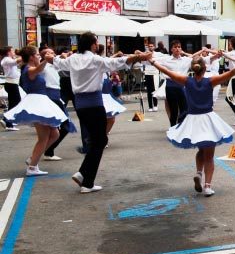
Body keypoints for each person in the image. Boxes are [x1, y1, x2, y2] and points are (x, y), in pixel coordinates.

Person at [53, 32, 151, 193]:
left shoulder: (73, 59)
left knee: (97, 140)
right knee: (100, 141)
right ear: (92, 44)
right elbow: (117, 62)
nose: (97, 44)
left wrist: (50, 58)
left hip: (80, 105)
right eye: (96, 42)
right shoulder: (95, 60)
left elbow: (58, 62)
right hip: (94, 103)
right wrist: (140, 57)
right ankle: (86, 180)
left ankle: (84, 174)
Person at [149, 55, 235, 196]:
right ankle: (207, 186)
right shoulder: (211, 81)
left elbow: (167, 72)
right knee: (209, 155)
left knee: (201, 150)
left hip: (193, 120)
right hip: (208, 119)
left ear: (192, 69)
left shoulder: (186, 81)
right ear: (205, 68)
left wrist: (153, 61)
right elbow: (232, 72)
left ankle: (198, 173)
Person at [3, 46, 67, 176]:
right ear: (32, 57)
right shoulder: (28, 70)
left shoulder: (31, 69)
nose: (38, 56)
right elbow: (38, 69)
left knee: (55, 134)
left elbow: (41, 69)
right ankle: (32, 167)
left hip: (42, 102)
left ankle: (33, 159)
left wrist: (47, 60)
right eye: (37, 55)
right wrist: (47, 60)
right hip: (37, 104)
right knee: (43, 138)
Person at [41, 48, 76, 161]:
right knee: (63, 126)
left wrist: (67, 56)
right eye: (50, 53)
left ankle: (47, 151)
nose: (53, 54)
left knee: (57, 128)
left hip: (56, 96)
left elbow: (71, 67)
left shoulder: (55, 66)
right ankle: (42, 153)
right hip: (50, 96)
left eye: (52, 52)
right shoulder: (43, 66)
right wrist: (46, 60)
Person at [2, 46, 22, 131]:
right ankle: (7, 121)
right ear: (8, 52)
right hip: (11, 84)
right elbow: (16, 61)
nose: (13, 52)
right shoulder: (7, 59)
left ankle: (9, 121)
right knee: (15, 102)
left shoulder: (7, 59)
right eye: (12, 50)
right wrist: (24, 55)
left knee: (13, 102)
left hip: (12, 83)